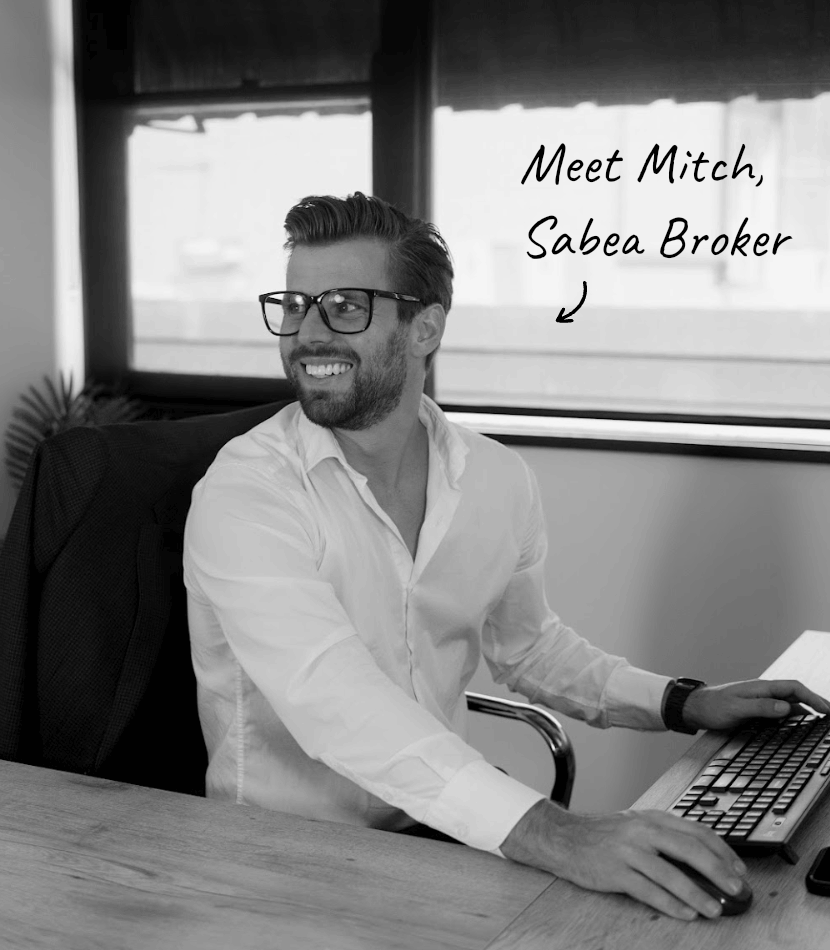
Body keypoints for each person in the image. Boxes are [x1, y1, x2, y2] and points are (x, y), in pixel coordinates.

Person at [183, 192, 829, 922]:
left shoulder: (493, 478)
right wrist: (551, 832)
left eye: (342, 306)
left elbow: (530, 648)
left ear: (424, 326)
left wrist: (683, 702)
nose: (306, 333)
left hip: (435, 829)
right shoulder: (245, 495)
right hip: (279, 861)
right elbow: (334, 704)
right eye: (295, 305)